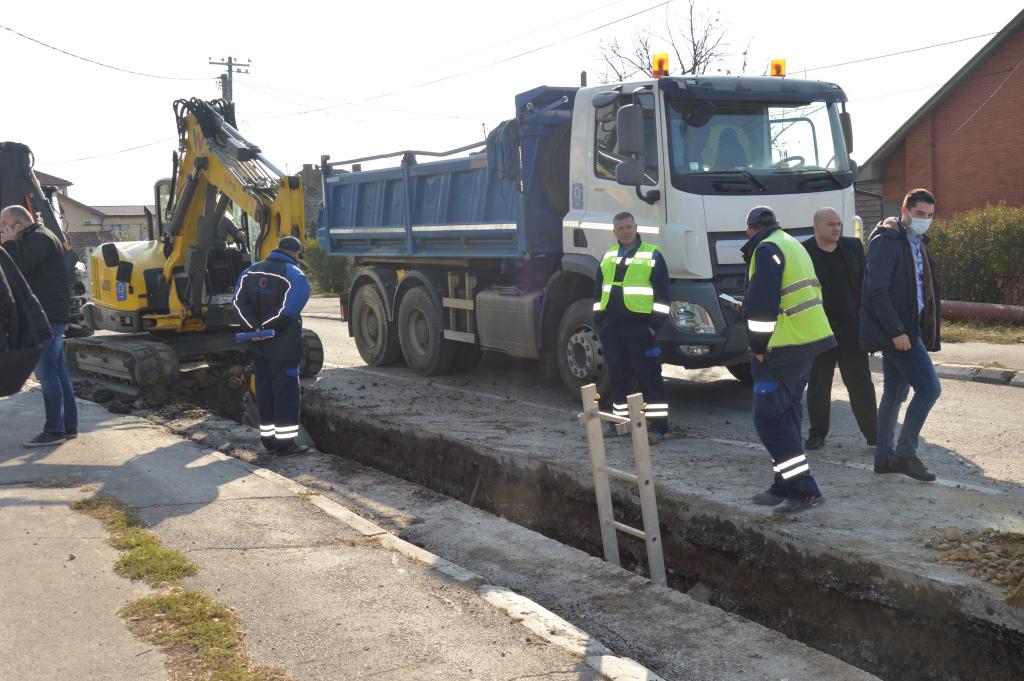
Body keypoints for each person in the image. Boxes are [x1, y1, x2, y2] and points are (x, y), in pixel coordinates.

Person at [741, 206, 835, 514]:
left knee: (768, 419)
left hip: (781, 347)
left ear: (750, 230)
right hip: (804, 341)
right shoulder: (790, 243)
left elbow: (763, 304)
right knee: (787, 415)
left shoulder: (766, 249)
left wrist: (757, 344)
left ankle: (804, 489)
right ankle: (783, 484)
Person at [861, 189, 942, 482]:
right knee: (930, 390)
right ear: (906, 209)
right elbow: (877, 292)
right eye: (920, 214)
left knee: (894, 395)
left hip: (911, 327)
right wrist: (897, 332)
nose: (925, 220)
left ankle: (884, 458)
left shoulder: (915, 241)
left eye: (930, 216)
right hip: (899, 331)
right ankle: (905, 454)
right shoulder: (887, 241)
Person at [1, 205, 77, 445]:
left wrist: (10, 242)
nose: (2, 231)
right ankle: (68, 426)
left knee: (47, 373)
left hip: (49, 316)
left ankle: (54, 430)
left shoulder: (40, 239)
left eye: (5, 226)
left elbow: (19, 266)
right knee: (58, 372)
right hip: (51, 314)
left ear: (19, 223)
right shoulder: (36, 237)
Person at [592, 211, 671, 445]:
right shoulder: (608, 256)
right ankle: (620, 421)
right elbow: (598, 292)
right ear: (614, 231)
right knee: (618, 375)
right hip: (612, 328)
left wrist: (653, 326)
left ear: (636, 227)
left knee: (649, 376)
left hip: (640, 328)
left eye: (629, 226)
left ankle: (658, 426)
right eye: (621, 228)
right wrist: (600, 321)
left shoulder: (653, 255)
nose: (625, 231)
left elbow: (663, 295)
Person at [802, 207, 877, 450]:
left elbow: (865, 285)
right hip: (818, 330)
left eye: (838, 224)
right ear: (816, 227)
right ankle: (817, 434)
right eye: (830, 224)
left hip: (850, 329)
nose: (836, 228)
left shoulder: (853, 247)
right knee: (818, 385)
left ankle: (874, 435)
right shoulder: (804, 252)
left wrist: (866, 323)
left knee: (860, 384)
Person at [233, 235, 311, 455]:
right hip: (283, 348)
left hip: (257, 347)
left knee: (265, 392)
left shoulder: (249, 272)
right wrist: (266, 329)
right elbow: (289, 311)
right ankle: (285, 444)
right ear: (295, 253)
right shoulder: (295, 275)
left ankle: (268, 440)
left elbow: (238, 303)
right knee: (285, 394)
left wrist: (254, 329)